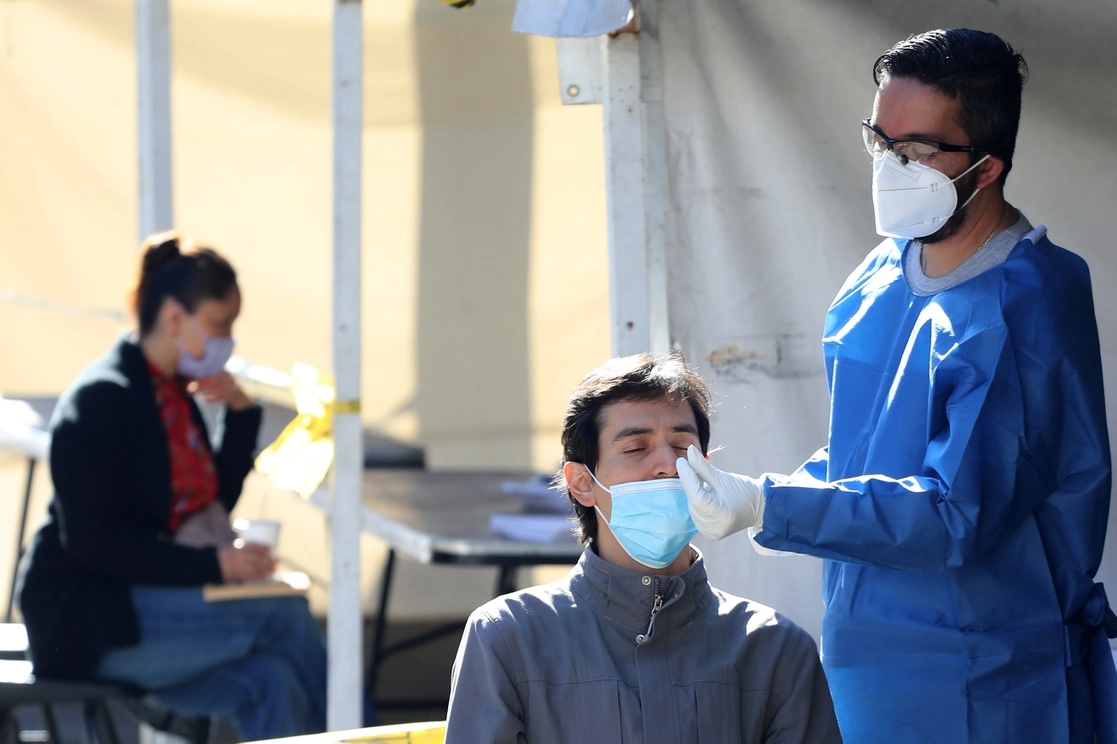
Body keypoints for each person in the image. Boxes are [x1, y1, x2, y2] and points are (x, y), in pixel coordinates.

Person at [676, 28, 1117, 744]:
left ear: (984, 168)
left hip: (987, 680)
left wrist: (775, 505)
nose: (887, 167)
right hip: (866, 662)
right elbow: (867, 454)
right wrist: (770, 499)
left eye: (911, 152)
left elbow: (953, 514)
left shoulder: (1022, 306)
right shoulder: (879, 278)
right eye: (877, 142)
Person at [16, 231, 328, 740]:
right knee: (284, 615)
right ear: (174, 316)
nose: (228, 340)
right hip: (86, 623)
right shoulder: (101, 401)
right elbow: (93, 542)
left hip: (143, 607)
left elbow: (202, 508)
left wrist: (241, 418)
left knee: (270, 681)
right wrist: (216, 565)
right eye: (219, 324)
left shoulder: (171, 396)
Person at [444, 353, 842, 743]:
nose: (668, 464)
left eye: (683, 446)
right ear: (582, 483)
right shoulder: (509, 636)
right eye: (636, 449)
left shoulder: (774, 648)